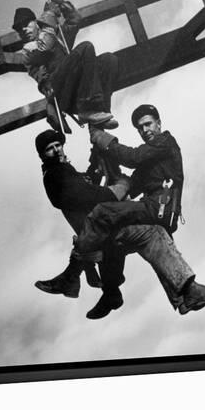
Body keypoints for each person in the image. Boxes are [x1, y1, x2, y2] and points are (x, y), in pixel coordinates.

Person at [73, 104, 205, 315]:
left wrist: (101, 138)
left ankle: (78, 263)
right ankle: (183, 296)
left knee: (103, 212)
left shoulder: (165, 142)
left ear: (159, 124)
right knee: (116, 238)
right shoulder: (150, 158)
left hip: (158, 207)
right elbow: (129, 189)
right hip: (156, 212)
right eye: (140, 128)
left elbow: (132, 157)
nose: (145, 130)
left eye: (148, 124)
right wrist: (104, 162)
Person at [34, 129, 129, 319]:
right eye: (50, 149)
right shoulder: (54, 173)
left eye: (58, 145)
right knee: (105, 244)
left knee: (104, 252)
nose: (57, 150)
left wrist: (94, 166)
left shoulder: (62, 169)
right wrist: (115, 191)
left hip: (91, 225)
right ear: (42, 155)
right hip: (92, 222)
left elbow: (82, 186)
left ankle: (101, 290)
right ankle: (98, 288)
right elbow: (84, 195)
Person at [12, 0, 119, 129]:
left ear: (35, 22)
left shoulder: (57, 36)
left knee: (109, 59)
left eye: (26, 24)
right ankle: (88, 109)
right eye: (19, 29)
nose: (23, 29)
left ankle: (100, 114)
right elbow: (44, 47)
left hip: (77, 88)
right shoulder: (27, 51)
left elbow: (75, 19)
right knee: (86, 47)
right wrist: (49, 15)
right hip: (58, 92)